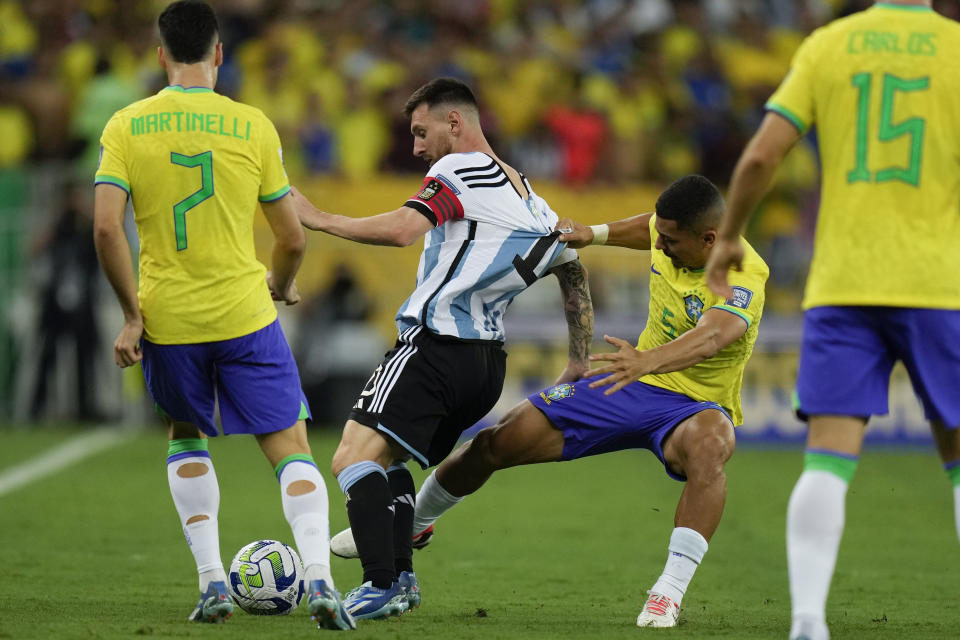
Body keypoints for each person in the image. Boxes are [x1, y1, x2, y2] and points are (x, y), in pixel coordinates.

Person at [331, 174, 769, 628]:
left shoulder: (745, 274)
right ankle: (416, 522)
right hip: (630, 382)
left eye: (671, 240)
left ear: (710, 239)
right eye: (660, 235)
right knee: (495, 443)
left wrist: (647, 361)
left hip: (691, 403)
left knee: (711, 445)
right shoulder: (668, 235)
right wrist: (594, 234)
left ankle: (667, 593)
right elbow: (647, 228)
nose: (661, 244)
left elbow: (715, 335)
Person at [289, 77, 594, 620]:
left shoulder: (458, 170)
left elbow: (405, 230)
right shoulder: (530, 196)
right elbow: (572, 265)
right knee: (389, 459)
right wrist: (579, 357)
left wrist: (317, 217)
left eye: (420, 131)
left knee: (350, 458)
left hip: (435, 345)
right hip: (485, 367)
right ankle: (402, 579)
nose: (416, 147)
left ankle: (379, 583)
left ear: (455, 123)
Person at [92, 1, 354, 631]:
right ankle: (319, 577)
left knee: (187, 437)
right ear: (218, 54)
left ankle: (212, 585)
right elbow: (292, 239)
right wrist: (281, 285)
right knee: (291, 447)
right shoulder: (253, 125)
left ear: (160, 56)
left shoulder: (127, 125)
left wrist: (132, 316)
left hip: (168, 320)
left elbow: (105, 227)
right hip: (244, 314)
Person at [703, 3, 960, 639]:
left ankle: (808, 622)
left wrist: (731, 234)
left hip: (844, 284)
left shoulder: (829, 45)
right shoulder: (954, 47)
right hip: (941, 284)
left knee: (827, 460)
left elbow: (763, 157)